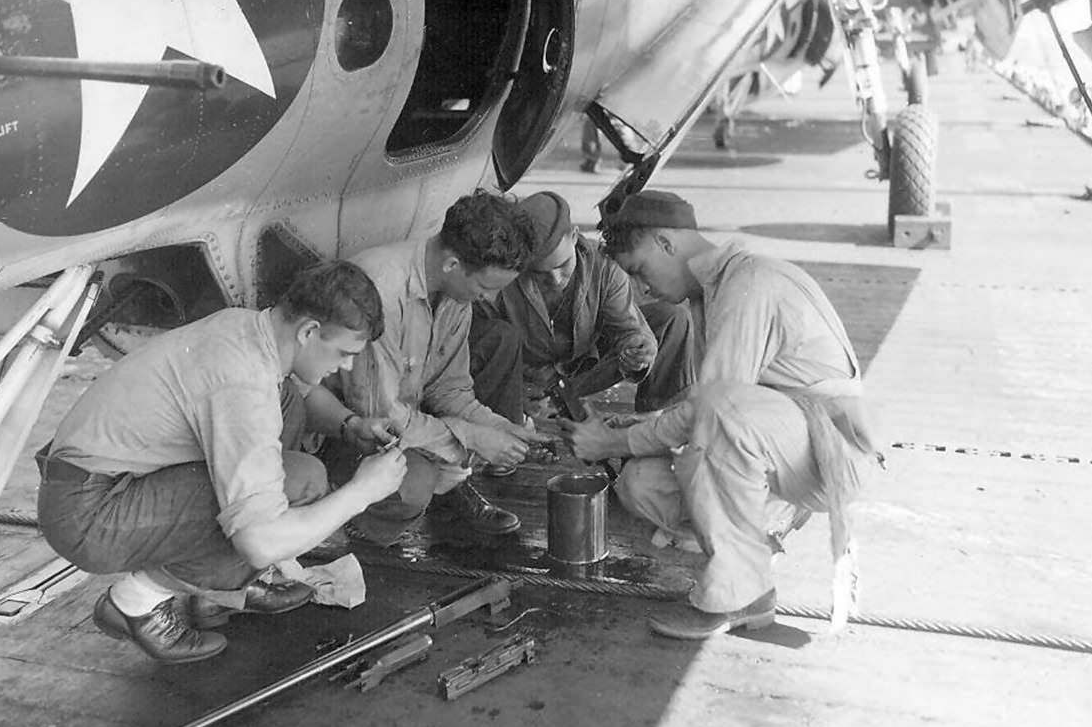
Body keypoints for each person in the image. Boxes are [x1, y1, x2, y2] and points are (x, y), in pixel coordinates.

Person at [36, 261, 407, 664]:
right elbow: (260, 541)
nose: (348, 366)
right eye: (345, 353)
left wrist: (349, 424)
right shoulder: (241, 381)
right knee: (300, 483)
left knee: (287, 403)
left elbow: (288, 398)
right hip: (88, 513)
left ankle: (226, 586)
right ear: (309, 332)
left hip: (103, 478)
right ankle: (136, 603)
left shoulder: (249, 328)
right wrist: (363, 492)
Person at [559, 190, 882, 640]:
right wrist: (634, 427)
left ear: (667, 243)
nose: (642, 290)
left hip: (832, 456)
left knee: (714, 409)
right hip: (787, 447)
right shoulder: (710, 295)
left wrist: (610, 443)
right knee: (640, 484)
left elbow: (713, 407)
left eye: (639, 270)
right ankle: (753, 530)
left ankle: (741, 592)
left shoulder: (750, 283)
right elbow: (708, 403)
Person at [315, 189, 545, 545]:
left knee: (500, 343)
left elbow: (449, 388)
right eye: (485, 286)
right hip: (345, 429)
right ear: (452, 264)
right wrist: (468, 438)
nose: (489, 299)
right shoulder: (380, 291)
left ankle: (443, 483)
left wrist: (500, 428)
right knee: (414, 486)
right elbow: (379, 416)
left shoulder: (455, 292)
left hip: (399, 416)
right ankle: (338, 528)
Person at [471, 191, 695, 435]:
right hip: (527, 383)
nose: (555, 280)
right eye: (539, 274)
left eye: (562, 266)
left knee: (672, 318)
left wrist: (637, 349)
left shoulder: (605, 266)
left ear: (575, 236)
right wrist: (514, 396)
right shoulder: (503, 275)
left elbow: (628, 329)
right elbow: (482, 349)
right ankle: (514, 420)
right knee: (499, 337)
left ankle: (653, 421)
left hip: (584, 372)